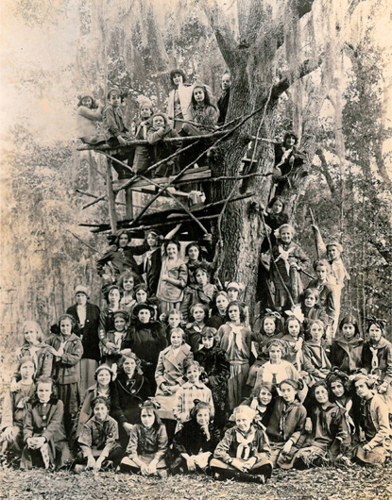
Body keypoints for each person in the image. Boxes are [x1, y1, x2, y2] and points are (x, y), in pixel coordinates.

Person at [211, 405, 272, 484]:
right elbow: (218, 451)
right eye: (238, 420)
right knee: (214, 462)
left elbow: (266, 453)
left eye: (244, 420)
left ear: (250, 420)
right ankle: (251, 477)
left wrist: (254, 459)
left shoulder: (259, 433)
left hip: (251, 464)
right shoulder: (231, 432)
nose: (241, 423)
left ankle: (228, 475)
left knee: (268, 465)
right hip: (234, 463)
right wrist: (233, 462)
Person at [21, 376, 71, 470]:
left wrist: (44, 438)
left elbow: (55, 424)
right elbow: (27, 426)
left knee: (63, 458)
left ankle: (50, 462)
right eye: (41, 390)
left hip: (55, 437)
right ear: (36, 391)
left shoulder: (58, 404)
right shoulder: (31, 405)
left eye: (46, 390)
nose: (43, 394)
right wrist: (28, 438)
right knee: (31, 451)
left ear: (51, 391)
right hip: (37, 436)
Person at [46, 314, 83, 439]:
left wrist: (60, 355)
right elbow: (43, 347)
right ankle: (59, 437)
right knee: (58, 408)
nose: (65, 328)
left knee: (71, 409)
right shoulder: (54, 339)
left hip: (71, 380)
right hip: (57, 380)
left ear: (72, 326)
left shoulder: (76, 341)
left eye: (67, 325)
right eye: (63, 325)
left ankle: (72, 437)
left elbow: (75, 358)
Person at [155, 328, 193, 440]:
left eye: (178, 337)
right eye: (173, 337)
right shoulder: (163, 353)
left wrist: (177, 386)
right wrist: (162, 385)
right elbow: (158, 372)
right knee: (162, 417)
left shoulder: (188, 353)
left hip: (180, 388)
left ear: (182, 339)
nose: (175, 340)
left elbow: (189, 373)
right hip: (165, 388)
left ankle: (175, 442)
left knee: (177, 418)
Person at [111, 351, 152, 448]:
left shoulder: (143, 380)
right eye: (126, 363)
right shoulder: (117, 381)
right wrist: (124, 422)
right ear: (122, 365)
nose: (129, 366)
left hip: (139, 418)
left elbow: (147, 401)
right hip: (122, 419)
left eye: (132, 363)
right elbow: (115, 404)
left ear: (136, 364)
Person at [120, 399, 168, 478]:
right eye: (144, 416)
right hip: (140, 457)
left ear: (155, 416)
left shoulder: (161, 428)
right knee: (125, 461)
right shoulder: (136, 428)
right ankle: (146, 470)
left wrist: (153, 463)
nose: (146, 419)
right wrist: (141, 464)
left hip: (156, 459)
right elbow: (131, 449)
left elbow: (162, 449)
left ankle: (149, 470)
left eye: (150, 416)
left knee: (165, 464)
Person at [66, 285, 101, 394]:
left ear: (87, 297)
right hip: (76, 347)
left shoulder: (94, 309)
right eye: (78, 296)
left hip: (91, 347)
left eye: (82, 295)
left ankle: (91, 396)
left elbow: (98, 326)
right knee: (78, 375)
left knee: (90, 374)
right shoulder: (71, 310)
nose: (80, 298)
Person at [218, 301, 252, 411]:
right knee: (229, 396)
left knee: (243, 393)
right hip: (228, 366)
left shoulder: (246, 330)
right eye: (230, 311)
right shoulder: (223, 328)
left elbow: (250, 348)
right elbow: (218, 347)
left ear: (240, 312)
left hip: (242, 365)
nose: (233, 313)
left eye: (235, 311)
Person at [352, 374, 392, 465]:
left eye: (361, 386)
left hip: (381, 440)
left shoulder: (378, 403)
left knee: (374, 456)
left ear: (368, 386)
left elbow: (384, 430)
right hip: (367, 439)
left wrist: (371, 445)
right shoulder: (362, 402)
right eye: (357, 388)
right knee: (353, 452)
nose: (359, 390)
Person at [171, 400, 220, 474]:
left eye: (205, 415)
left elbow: (216, 445)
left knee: (214, 463)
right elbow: (177, 442)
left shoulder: (214, 428)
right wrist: (187, 457)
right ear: (195, 416)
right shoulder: (188, 427)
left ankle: (204, 469)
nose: (203, 418)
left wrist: (207, 433)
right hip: (190, 455)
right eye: (200, 415)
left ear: (209, 416)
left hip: (206, 455)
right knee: (178, 464)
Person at [194, 327, 230, 428]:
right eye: (204, 339)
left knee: (217, 412)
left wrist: (210, 380)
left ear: (214, 339)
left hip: (217, 389)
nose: (207, 342)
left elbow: (225, 372)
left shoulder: (220, 353)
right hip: (201, 387)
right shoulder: (199, 353)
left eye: (209, 339)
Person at [266, 379, 307, 468]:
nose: (286, 393)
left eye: (289, 390)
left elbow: (300, 430)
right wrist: (254, 399)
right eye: (283, 390)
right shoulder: (276, 402)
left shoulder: (300, 409)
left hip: (284, 443)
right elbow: (264, 395)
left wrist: (291, 441)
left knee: (275, 461)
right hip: (270, 440)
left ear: (295, 391)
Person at [1, 357, 36, 457]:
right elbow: (8, 409)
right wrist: (8, 426)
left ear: (34, 370)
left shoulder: (37, 388)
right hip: (18, 423)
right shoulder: (14, 388)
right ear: (19, 370)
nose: (27, 370)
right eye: (24, 367)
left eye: (30, 367)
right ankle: (14, 457)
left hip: (33, 425)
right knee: (11, 436)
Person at [76, 396, 123, 470]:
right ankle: (105, 465)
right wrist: (90, 457)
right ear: (93, 410)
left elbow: (111, 443)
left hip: (107, 451)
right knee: (79, 456)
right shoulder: (88, 424)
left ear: (107, 409)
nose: (100, 412)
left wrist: (101, 458)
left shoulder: (113, 423)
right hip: (94, 451)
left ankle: (95, 465)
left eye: (102, 408)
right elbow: (85, 443)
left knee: (119, 451)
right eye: (97, 409)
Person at [129, 302, 167, 391]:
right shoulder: (133, 329)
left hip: (156, 364)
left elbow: (163, 345)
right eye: (141, 313)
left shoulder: (157, 328)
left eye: (146, 313)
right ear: (137, 315)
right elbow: (126, 347)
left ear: (150, 315)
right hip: (139, 365)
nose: (144, 315)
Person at [271, 224, 309, 309]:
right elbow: (272, 265)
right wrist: (272, 281)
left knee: (295, 301)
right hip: (280, 279)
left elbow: (306, 261)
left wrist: (299, 266)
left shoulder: (296, 248)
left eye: (288, 234)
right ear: (280, 235)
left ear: (292, 235)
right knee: (282, 303)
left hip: (294, 279)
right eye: (283, 234)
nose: (286, 236)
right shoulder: (276, 248)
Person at [75, 364, 116, 442]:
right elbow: (82, 410)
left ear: (111, 377)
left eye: (107, 375)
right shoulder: (90, 392)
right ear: (96, 377)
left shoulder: (115, 391)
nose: (104, 377)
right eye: (101, 375)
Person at [361, 317, 392, 413]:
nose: (374, 333)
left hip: (384, 378)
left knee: (386, 398)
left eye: (377, 330)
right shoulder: (366, 345)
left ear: (382, 332)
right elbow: (366, 363)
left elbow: (390, 367)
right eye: (372, 330)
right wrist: (365, 372)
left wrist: (385, 382)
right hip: (370, 376)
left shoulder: (387, 346)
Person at [102, 88, 134, 179]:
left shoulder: (118, 110)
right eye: (113, 98)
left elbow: (122, 126)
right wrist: (119, 137)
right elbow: (111, 124)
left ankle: (124, 171)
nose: (116, 100)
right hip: (112, 137)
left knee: (134, 145)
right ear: (109, 100)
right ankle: (124, 171)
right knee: (132, 146)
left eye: (118, 98)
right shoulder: (109, 109)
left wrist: (127, 135)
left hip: (119, 135)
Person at [11, 321, 53, 389]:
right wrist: (13, 381)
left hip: (40, 386)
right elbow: (18, 370)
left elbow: (46, 373)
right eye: (26, 333)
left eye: (31, 332)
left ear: (37, 332)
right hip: (25, 384)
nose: (29, 335)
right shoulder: (23, 350)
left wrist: (36, 386)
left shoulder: (46, 350)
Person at [173, 360, 214, 428]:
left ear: (199, 372)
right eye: (189, 372)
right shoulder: (181, 390)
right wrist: (182, 418)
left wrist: (207, 420)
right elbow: (176, 410)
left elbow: (211, 410)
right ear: (185, 375)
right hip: (185, 426)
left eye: (195, 371)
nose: (192, 374)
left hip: (202, 425)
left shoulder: (206, 391)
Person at [247, 312, 283, 389]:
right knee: (253, 370)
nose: (268, 326)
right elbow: (249, 333)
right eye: (266, 324)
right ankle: (252, 390)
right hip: (261, 361)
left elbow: (285, 330)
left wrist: (280, 319)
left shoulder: (279, 336)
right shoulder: (260, 336)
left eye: (271, 324)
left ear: (275, 326)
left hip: (274, 361)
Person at [306, 260, 339, 342]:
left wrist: (328, 326)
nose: (320, 274)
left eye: (323, 271)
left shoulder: (330, 288)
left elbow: (332, 311)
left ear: (327, 272)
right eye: (318, 271)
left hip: (323, 319)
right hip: (310, 316)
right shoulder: (312, 284)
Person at [271, 132, 307, 198]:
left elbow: (305, 158)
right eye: (289, 138)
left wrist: (294, 156)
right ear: (285, 139)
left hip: (283, 173)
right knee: (272, 177)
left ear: (295, 141)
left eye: (293, 138)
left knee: (282, 188)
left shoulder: (294, 151)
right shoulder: (278, 146)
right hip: (273, 168)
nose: (290, 140)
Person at [156, 240, 188, 314]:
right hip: (162, 294)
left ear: (178, 250)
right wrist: (176, 228)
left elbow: (183, 283)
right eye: (169, 249)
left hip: (175, 297)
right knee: (163, 317)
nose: (171, 251)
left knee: (174, 318)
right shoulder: (164, 259)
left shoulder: (181, 264)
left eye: (173, 249)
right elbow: (166, 239)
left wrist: (168, 279)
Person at [147, 112, 183, 177]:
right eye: (156, 121)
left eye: (161, 121)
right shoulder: (151, 131)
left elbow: (180, 144)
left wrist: (173, 159)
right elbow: (151, 140)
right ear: (152, 124)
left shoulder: (171, 131)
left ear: (164, 123)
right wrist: (160, 131)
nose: (158, 122)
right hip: (157, 162)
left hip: (172, 159)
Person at [302, 320, 331, 386]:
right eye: (314, 330)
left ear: (323, 332)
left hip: (328, 372)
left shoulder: (326, 344)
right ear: (310, 332)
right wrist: (321, 375)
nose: (316, 332)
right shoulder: (306, 346)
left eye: (319, 330)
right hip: (315, 374)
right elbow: (308, 366)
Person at [132, 99, 153, 175]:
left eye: (146, 109)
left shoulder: (153, 121)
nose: (144, 111)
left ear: (151, 111)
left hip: (151, 144)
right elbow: (136, 134)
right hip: (141, 144)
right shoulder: (138, 123)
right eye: (142, 110)